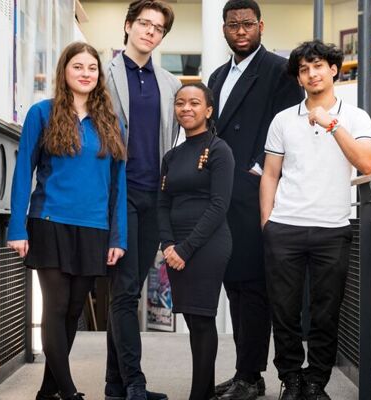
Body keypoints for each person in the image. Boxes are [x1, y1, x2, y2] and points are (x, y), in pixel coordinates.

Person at [7, 42, 127, 400]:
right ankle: (70, 393)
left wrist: (117, 237)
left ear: (99, 75)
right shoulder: (41, 113)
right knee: (56, 307)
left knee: (74, 311)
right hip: (50, 221)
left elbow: (118, 184)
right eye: (78, 66)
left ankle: (48, 391)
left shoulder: (112, 122)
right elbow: (23, 172)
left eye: (92, 67)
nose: (85, 73)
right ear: (64, 71)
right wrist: (17, 227)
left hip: (94, 228)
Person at [260, 39, 371, 400]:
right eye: (304, 69)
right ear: (298, 77)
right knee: (285, 311)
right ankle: (291, 379)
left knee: (326, 313)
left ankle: (315, 383)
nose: (311, 74)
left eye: (318, 66)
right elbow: (270, 174)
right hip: (285, 228)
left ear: (333, 70)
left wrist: (332, 124)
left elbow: (367, 163)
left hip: (332, 229)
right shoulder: (283, 120)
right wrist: (267, 223)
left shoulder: (355, 117)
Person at [207, 1, 304, 399]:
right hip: (222, 194)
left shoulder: (280, 71)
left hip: (255, 192)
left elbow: (290, 126)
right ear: (224, 29)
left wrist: (258, 169)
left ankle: (250, 376)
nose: (241, 30)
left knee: (253, 287)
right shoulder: (216, 76)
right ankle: (246, 372)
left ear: (261, 26)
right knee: (234, 286)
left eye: (248, 24)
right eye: (233, 25)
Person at [104, 1, 181, 399]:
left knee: (128, 291)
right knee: (125, 289)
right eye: (144, 23)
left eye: (158, 28)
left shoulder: (169, 83)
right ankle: (134, 383)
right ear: (129, 26)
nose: (150, 31)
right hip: (120, 193)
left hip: (156, 194)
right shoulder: (103, 74)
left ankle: (114, 385)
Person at [158, 83, 235, 400]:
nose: (186, 108)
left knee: (202, 319)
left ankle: (199, 395)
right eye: (180, 103)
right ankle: (204, 393)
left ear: (208, 110)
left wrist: (185, 249)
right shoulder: (171, 156)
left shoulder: (219, 150)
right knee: (192, 318)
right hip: (175, 247)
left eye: (194, 103)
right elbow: (162, 203)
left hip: (207, 245)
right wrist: (167, 245)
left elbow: (219, 205)